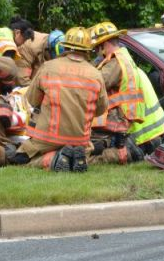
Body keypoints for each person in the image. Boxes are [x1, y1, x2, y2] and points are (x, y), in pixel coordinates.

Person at [8, 26, 107, 172]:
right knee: (84, 149)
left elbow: (32, 100)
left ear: (64, 47)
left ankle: (54, 159)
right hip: (80, 139)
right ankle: (77, 158)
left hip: (47, 137)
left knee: (22, 158)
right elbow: (100, 109)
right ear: (88, 50)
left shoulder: (48, 67)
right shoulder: (96, 74)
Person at [92, 21, 164, 159]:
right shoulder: (125, 59)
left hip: (137, 133)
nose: (96, 54)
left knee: (96, 149)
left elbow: (93, 85)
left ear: (104, 45)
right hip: (149, 131)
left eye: (96, 49)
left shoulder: (115, 63)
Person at [10, 16, 50, 80]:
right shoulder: (25, 45)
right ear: (17, 32)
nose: (23, 43)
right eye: (24, 40)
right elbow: (21, 79)